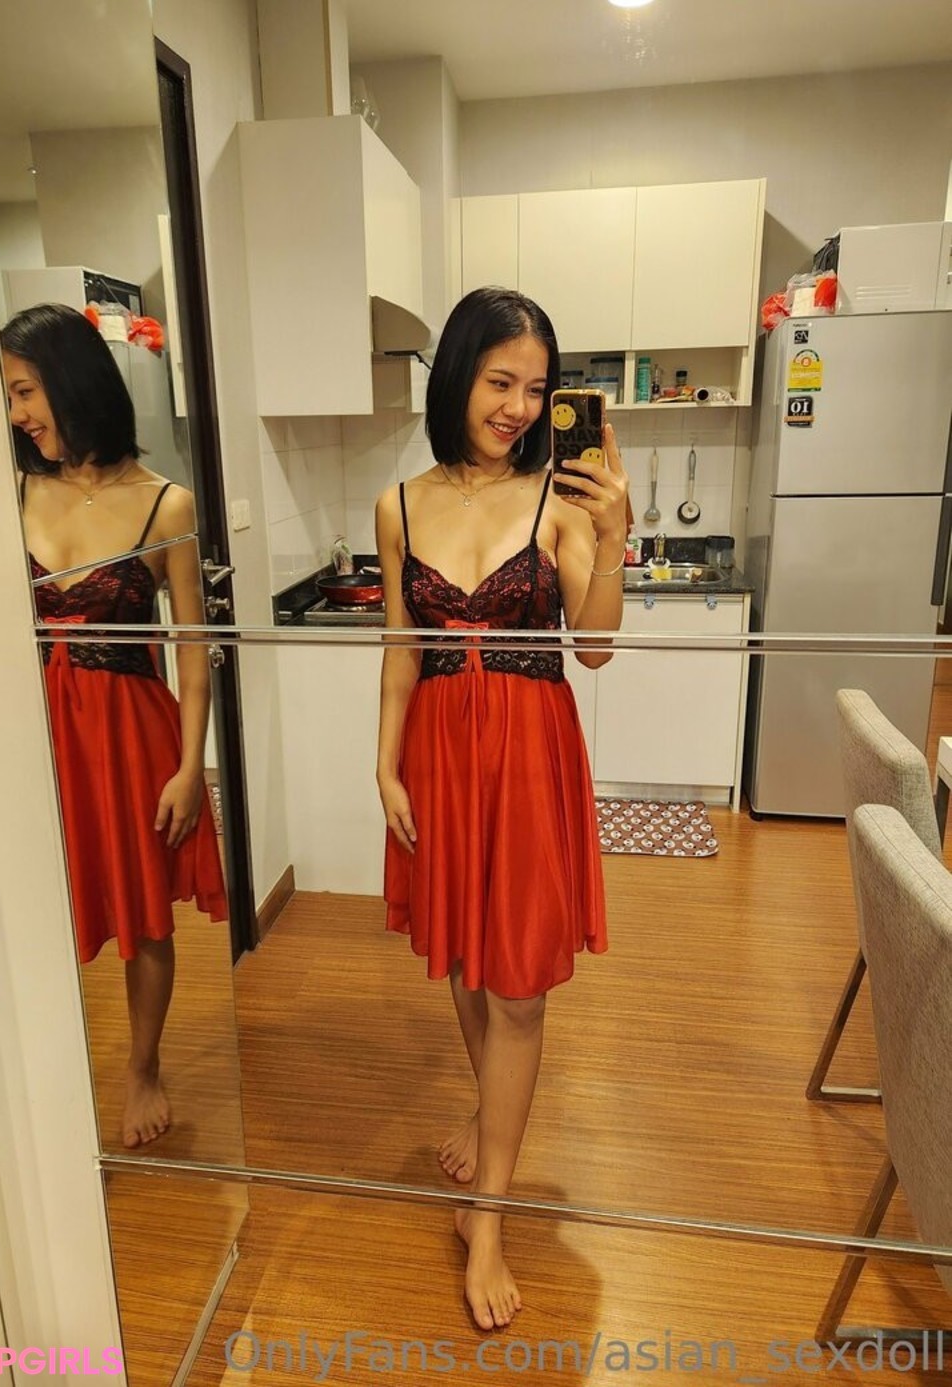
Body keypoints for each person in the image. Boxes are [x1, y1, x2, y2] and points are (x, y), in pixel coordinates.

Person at [375, 287, 627, 1332]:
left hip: (526, 756)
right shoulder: (398, 504)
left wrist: (614, 533)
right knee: (465, 955)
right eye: (499, 381)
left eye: (537, 386)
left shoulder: (558, 499)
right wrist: (384, 765)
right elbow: (402, 647)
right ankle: (491, 1121)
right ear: (457, 378)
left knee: (518, 986)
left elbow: (596, 644)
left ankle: (488, 1218)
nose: (519, 407)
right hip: (439, 752)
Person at [1, 303, 227, 1150]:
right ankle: (49, 1070)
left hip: (133, 733)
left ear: (71, 380)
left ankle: (141, 1066)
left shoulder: (166, 504)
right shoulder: (10, 490)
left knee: (144, 912)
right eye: (10, 396)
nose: (17, 413)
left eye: (25, 390)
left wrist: (190, 767)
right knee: (38, 905)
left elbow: (194, 651)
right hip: (38, 734)